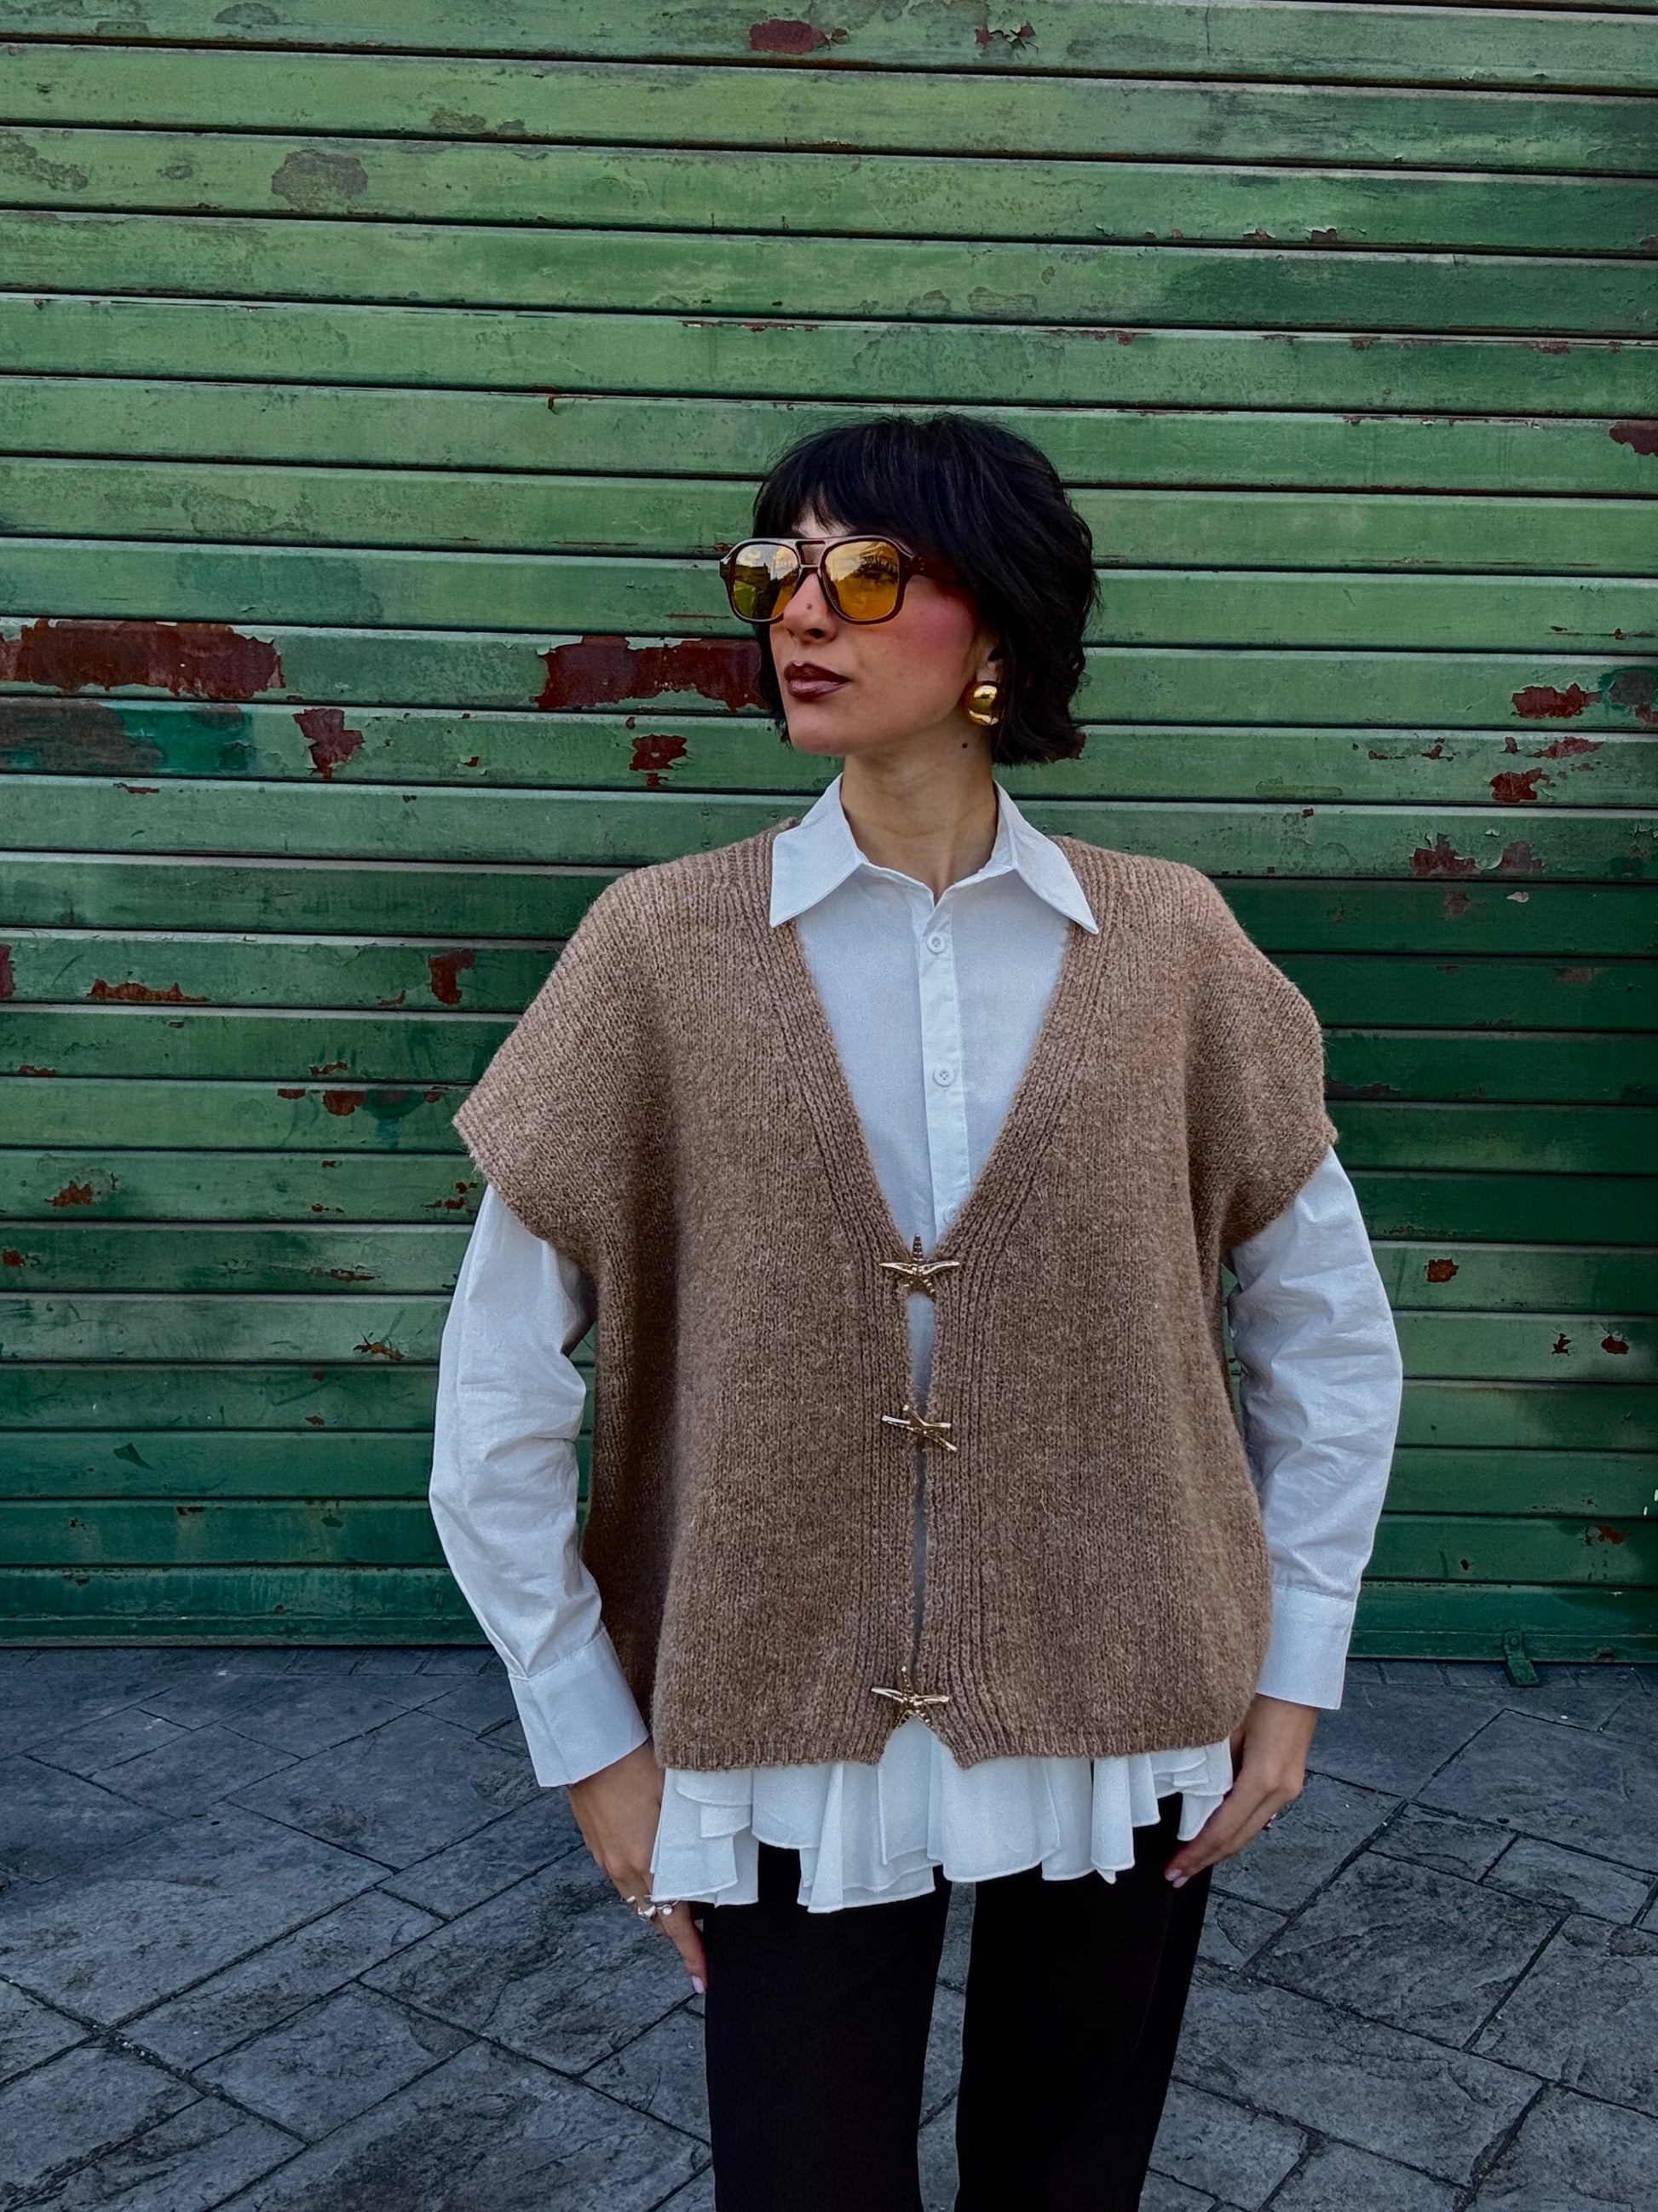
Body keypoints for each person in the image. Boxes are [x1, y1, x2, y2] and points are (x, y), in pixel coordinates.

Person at [429, 412, 1403, 2211]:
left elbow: (1324, 1333)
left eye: (866, 572)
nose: (801, 613)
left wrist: (1293, 1668)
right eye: (773, 572)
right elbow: (494, 1387)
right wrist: (593, 1746)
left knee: (1069, 2178)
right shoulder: (656, 949)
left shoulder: (1172, 946)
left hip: (1129, 1704)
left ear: (1000, 628)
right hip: (785, 1717)